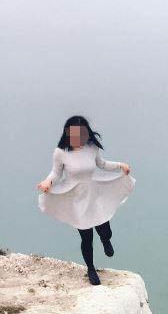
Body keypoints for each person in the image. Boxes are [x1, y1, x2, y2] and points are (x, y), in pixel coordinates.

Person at [36, 115, 135, 285]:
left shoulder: (91, 148)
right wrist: (47, 182)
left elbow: (102, 164)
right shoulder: (60, 152)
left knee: (104, 229)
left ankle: (106, 240)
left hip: (94, 193)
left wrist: (120, 165)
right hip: (76, 198)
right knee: (86, 237)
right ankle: (90, 268)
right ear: (68, 134)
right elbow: (56, 173)